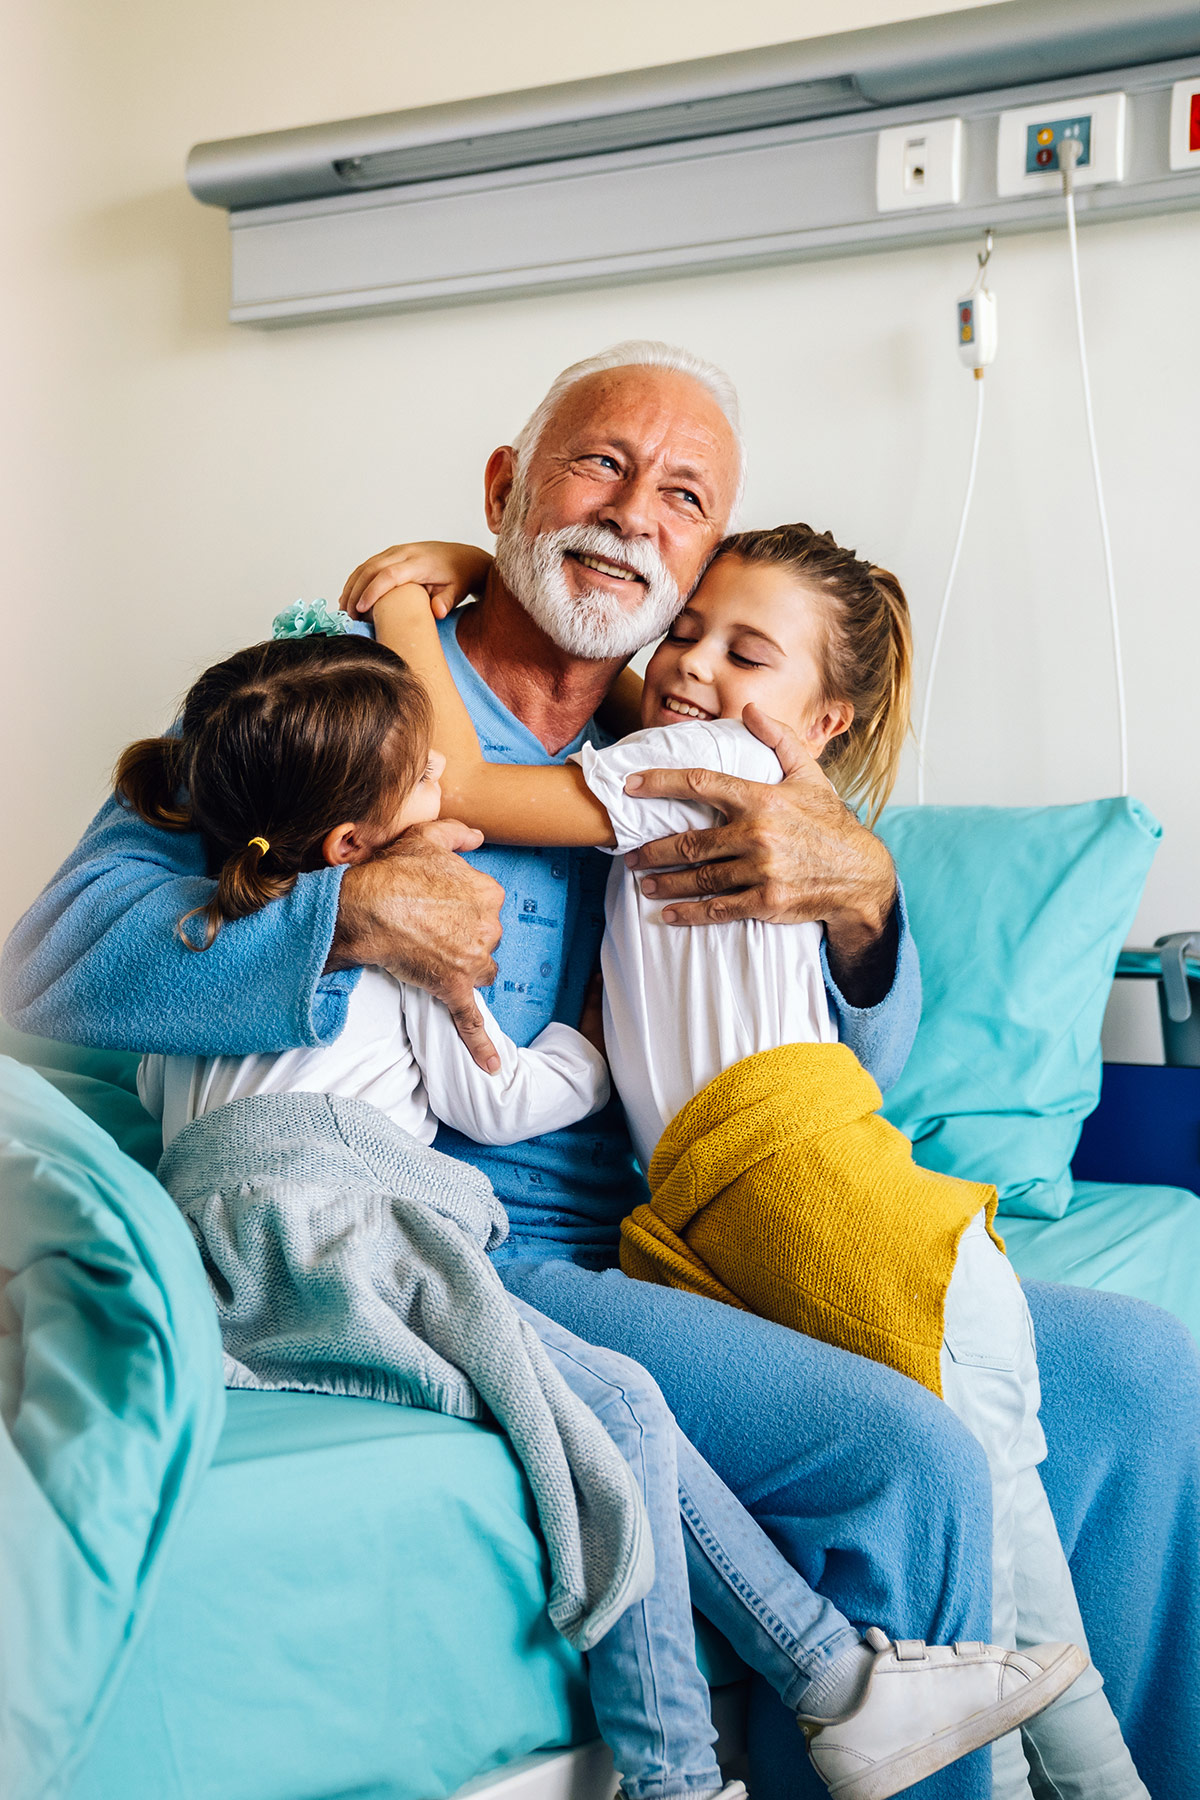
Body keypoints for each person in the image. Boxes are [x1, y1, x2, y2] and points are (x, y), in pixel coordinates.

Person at [3, 341, 1199, 1799]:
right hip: (481, 1242)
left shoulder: (686, 745)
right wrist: (349, 912)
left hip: (691, 1231)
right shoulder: (332, 712)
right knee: (903, 1460)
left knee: (1139, 1376)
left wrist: (866, 901)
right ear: (508, 490)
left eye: (684, 497)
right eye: (601, 464)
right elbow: (51, 964)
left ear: (701, 564)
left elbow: (850, 1067)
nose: (636, 513)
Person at [123, 626, 1074, 1800]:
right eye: (427, 771)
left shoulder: (220, 946)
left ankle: (835, 1694)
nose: (447, 781)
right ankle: (706, 1760)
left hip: (214, 1254)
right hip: (369, 1223)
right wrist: (587, 1037)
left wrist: (866, 890)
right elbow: (496, 1095)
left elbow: (165, 1101)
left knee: (633, 1403)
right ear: (354, 843)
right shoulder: (406, 918)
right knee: (625, 1406)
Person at [359, 521, 1144, 1799]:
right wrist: (496, 574)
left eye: (744, 649)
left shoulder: (699, 758)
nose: (687, 663)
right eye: (684, 632)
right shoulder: (706, 748)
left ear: (823, 719)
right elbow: (642, 698)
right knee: (1018, 1599)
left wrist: (403, 598)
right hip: (781, 1182)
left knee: (1032, 1605)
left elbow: (458, 771)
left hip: (804, 1178)